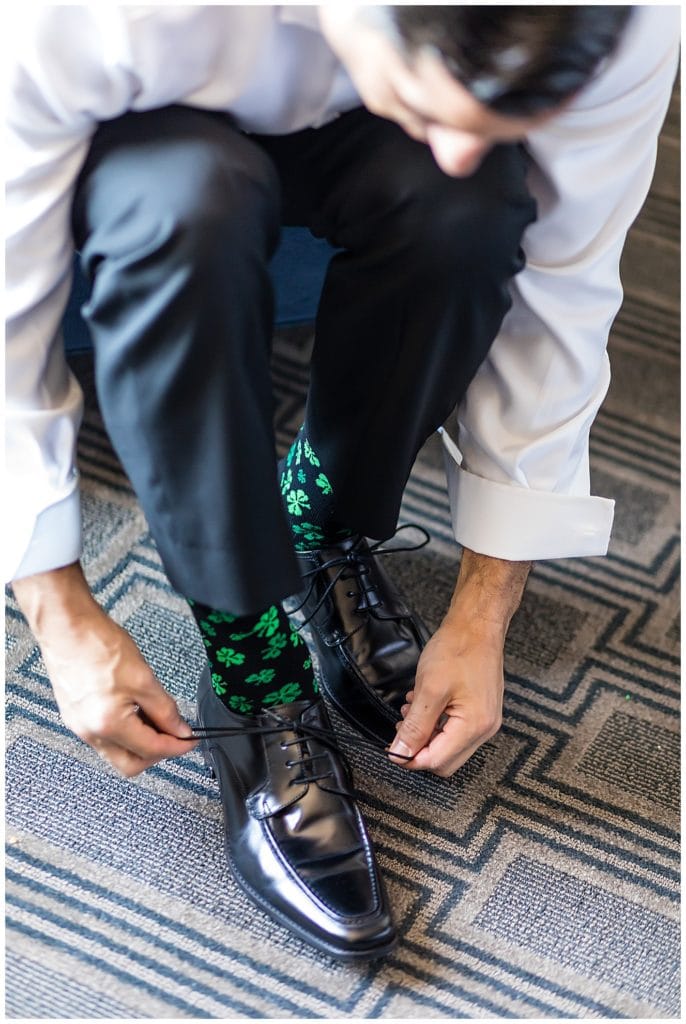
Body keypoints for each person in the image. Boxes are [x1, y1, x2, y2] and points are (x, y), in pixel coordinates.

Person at [5, 5, 678, 960]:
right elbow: (6, 305)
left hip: (349, 106)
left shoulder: (622, 20)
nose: (457, 147)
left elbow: (567, 283)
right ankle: (253, 665)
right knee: (190, 207)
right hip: (140, 112)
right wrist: (57, 608)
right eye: (433, 105)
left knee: (469, 206)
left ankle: (316, 521)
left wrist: (486, 608)